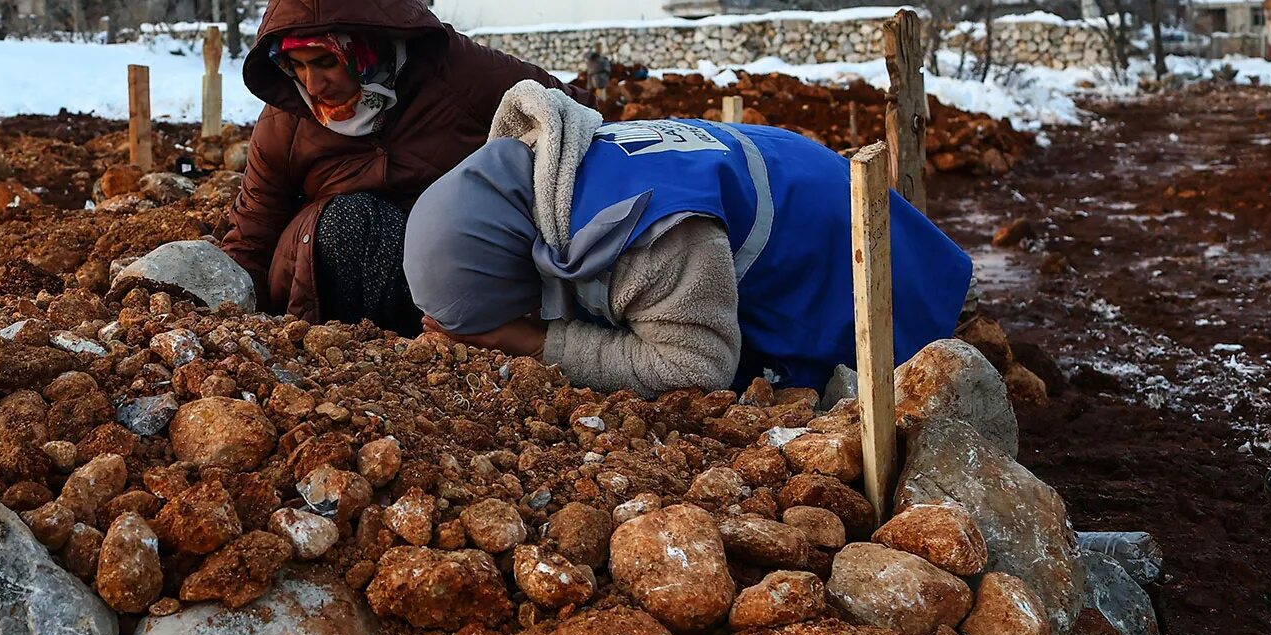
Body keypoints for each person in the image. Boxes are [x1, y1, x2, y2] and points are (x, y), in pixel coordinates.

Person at [402, 82, 972, 396]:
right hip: (803, 183)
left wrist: (530, 342)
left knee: (900, 393)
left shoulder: (643, 235)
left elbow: (695, 367)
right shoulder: (557, 166)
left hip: (863, 264)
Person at [220, 0, 588, 334]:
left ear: (366, 50)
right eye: (297, 66)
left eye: (325, 62)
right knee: (350, 219)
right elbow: (253, 232)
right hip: (333, 291)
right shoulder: (287, 119)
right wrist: (234, 323)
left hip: (456, 266)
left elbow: (567, 110)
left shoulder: (452, 70)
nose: (312, 85)